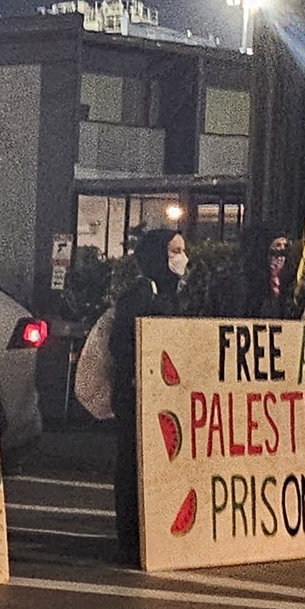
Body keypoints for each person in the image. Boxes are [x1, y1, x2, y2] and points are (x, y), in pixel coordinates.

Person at [109, 229, 189, 564]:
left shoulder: (171, 292)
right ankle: (131, 536)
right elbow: (121, 344)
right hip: (137, 395)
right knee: (133, 464)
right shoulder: (139, 294)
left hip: (161, 395)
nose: (182, 258)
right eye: (174, 251)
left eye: (182, 250)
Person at [212, 225, 292, 319]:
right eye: (274, 253)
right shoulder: (245, 283)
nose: (280, 258)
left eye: (284, 253)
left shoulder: (288, 283)